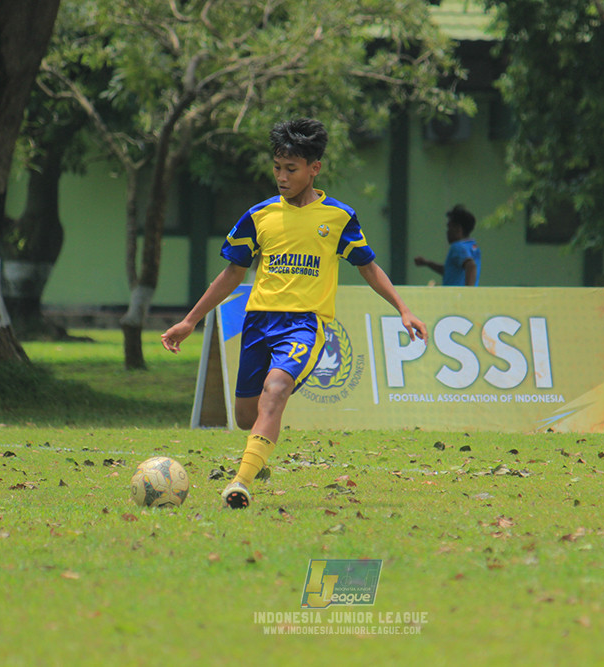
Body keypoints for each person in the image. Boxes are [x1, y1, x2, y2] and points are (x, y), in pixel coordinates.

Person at [161, 118, 428, 509]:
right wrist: (190, 320)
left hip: (305, 323)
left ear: (313, 169)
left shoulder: (338, 217)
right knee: (245, 416)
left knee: (276, 391)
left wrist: (403, 309)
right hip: (259, 320)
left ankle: (240, 483)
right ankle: (260, 455)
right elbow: (233, 272)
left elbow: (367, 266)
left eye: (291, 169)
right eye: (277, 168)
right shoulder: (258, 216)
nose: (281, 177)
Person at [414, 204, 481, 286]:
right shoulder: (473, 246)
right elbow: (449, 271)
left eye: (449, 228)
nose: (447, 232)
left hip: (457, 297)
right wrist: (427, 263)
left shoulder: (457, 246)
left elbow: (471, 266)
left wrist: (468, 293)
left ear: (458, 229)